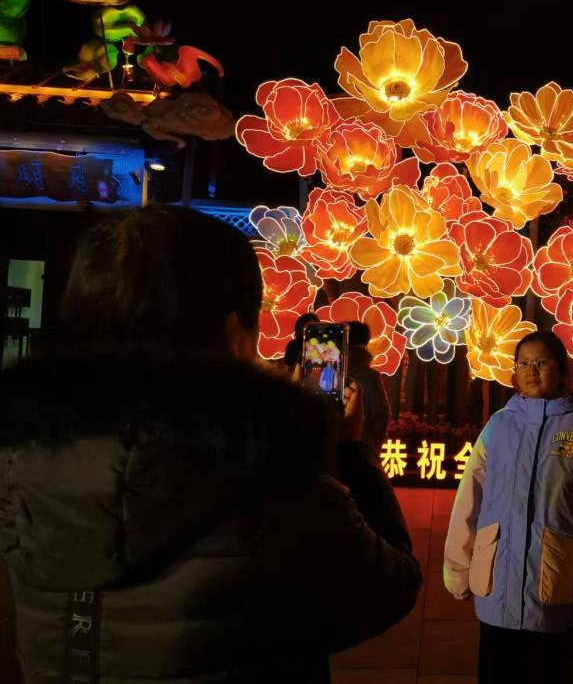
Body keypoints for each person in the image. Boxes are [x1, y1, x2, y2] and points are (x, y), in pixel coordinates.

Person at [0, 205, 421, 683]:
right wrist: (350, 452)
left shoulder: (19, 468)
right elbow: (388, 589)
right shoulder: (272, 486)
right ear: (234, 333)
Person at [443, 330, 573, 684]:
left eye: (541, 362)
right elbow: (469, 498)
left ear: (562, 371)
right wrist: (458, 568)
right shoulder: (498, 426)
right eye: (523, 363)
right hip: (496, 585)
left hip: (552, 587)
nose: (531, 370)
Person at [347, 320, 391, 451]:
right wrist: (374, 443)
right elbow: (380, 415)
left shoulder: (326, 375)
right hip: (361, 448)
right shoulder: (370, 377)